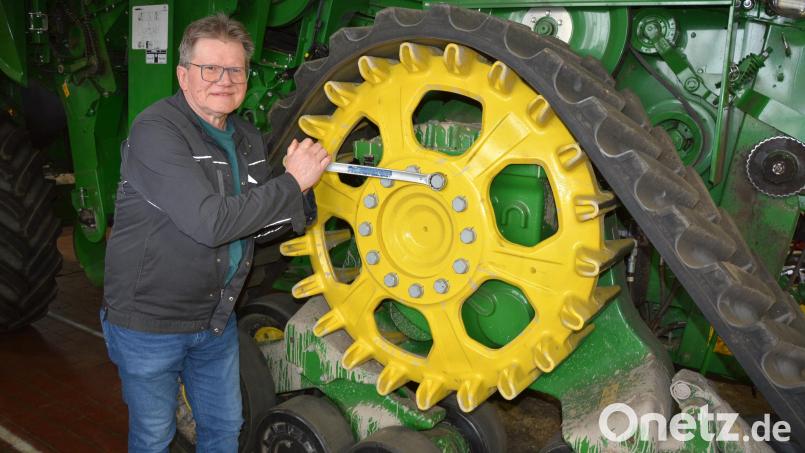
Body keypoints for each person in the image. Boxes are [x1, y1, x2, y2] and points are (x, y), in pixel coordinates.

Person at [101, 13, 330, 452]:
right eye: (210, 68)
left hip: (215, 317)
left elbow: (256, 225)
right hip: (151, 323)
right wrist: (291, 184)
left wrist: (302, 194)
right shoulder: (157, 131)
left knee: (225, 429)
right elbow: (211, 223)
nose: (224, 80)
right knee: (154, 436)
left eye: (235, 70)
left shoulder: (245, 137)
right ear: (183, 75)